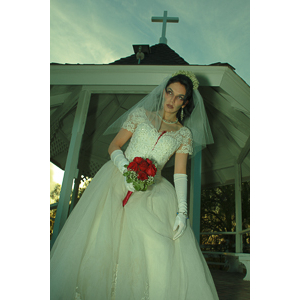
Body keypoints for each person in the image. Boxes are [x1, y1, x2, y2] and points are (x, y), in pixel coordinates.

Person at [50, 70, 218, 300]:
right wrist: (126, 170)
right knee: (100, 239)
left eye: (179, 97)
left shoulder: (184, 135)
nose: (171, 100)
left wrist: (182, 211)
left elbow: (180, 174)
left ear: (185, 102)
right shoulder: (140, 115)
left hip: (154, 193)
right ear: (164, 91)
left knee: (157, 247)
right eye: (170, 92)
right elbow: (114, 146)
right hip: (116, 180)